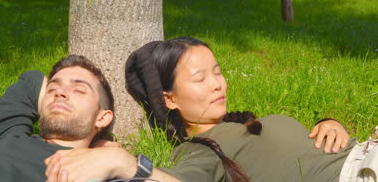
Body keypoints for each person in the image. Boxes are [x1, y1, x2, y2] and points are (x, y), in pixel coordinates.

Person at [45, 38, 374, 182]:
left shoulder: (238, 124)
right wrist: (122, 163)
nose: (218, 84)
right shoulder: (202, 150)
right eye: (200, 78)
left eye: (217, 71)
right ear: (169, 99)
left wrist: (328, 121)